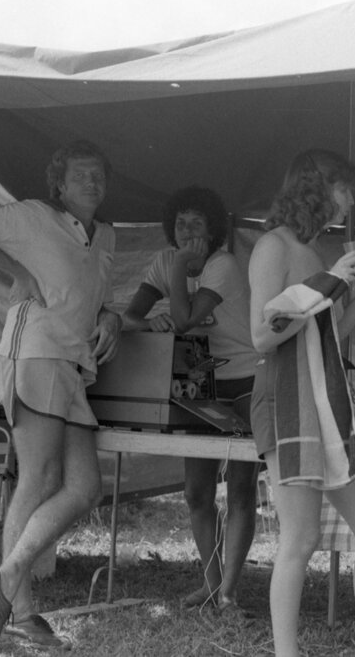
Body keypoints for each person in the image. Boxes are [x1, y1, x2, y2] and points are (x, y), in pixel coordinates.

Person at [248, 148, 355, 655]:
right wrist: (329, 281)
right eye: (344, 189)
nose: (351, 200)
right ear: (316, 189)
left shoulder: (316, 254)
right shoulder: (273, 246)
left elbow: (329, 336)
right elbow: (261, 335)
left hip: (323, 401)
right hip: (286, 401)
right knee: (301, 537)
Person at [0, 140, 121, 653]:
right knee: (39, 476)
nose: (92, 181)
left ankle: (4, 576)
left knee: (84, 489)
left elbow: (98, 299)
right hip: (33, 354)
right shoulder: (33, 217)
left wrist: (111, 317)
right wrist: (14, 271)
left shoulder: (106, 236)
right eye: (81, 173)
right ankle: (19, 613)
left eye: (98, 173)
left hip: (74, 366)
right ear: (59, 184)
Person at [122, 185, 261, 616]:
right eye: (180, 223)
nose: (186, 232)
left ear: (214, 229)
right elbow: (128, 317)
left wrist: (182, 270)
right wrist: (149, 323)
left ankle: (230, 593)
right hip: (199, 380)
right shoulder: (165, 262)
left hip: (247, 379)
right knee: (196, 492)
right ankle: (211, 583)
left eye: (197, 224)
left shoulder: (224, 265)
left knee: (241, 489)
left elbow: (184, 320)